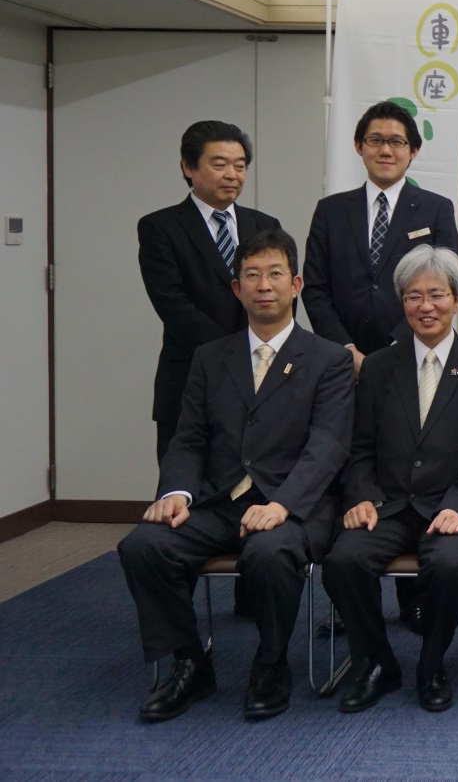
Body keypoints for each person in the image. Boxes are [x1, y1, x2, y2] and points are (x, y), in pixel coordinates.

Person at [118, 229, 354, 722]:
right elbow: (188, 438)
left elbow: (328, 445)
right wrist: (177, 491)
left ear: (295, 285)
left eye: (274, 275)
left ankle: (270, 663)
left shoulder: (329, 358)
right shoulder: (210, 357)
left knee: (270, 552)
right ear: (236, 289)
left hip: (292, 503)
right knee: (145, 546)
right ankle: (189, 661)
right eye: (252, 276)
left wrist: (283, 505)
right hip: (219, 500)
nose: (263, 286)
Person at [321, 246, 458, 715]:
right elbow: (360, 446)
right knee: (343, 559)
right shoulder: (380, 367)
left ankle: (431, 663)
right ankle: (376, 662)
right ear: (401, 302)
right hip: (389, 505)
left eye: (436, 295)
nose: (425, 307)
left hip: (455, 507)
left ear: (456, 298)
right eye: (413, 297)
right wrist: (362, 497)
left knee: (449, 566)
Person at [303, 99, 458, 634]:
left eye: (397, 141)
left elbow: (443, 285)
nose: (386, 149)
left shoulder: (435, 209)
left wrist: (393, 349)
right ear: (358, 147)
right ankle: (355, 600)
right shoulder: (332, 210)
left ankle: (414, 597)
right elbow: (316, 287)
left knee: (409, 460)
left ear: (413, 152)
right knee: (352, 463)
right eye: (376, 140)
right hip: (340, 363)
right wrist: (343, 348)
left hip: (408, 356)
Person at [138, 121, 280, 462]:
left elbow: (277, 295)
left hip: (260, 372)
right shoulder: (161, 227)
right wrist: (233, 353)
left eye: (240, 165)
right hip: (191, 373)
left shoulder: (265, 225)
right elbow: (173, 304)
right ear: (188, 167)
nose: (232, 174)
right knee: (186, 481)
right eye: (219, 164)